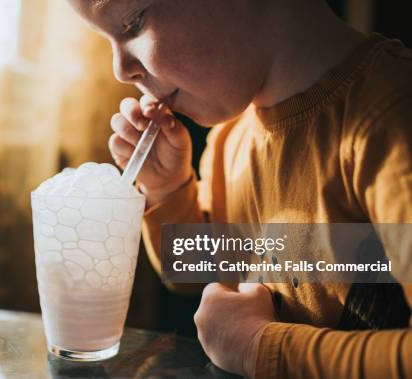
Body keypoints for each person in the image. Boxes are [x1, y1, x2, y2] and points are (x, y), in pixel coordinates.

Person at [67, 0, 412, 378]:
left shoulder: (390, 119)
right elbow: (201, 273)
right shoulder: (231, 139)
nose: (120, 70)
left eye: (133, 22)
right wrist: (168, 190)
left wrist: (257, 347)